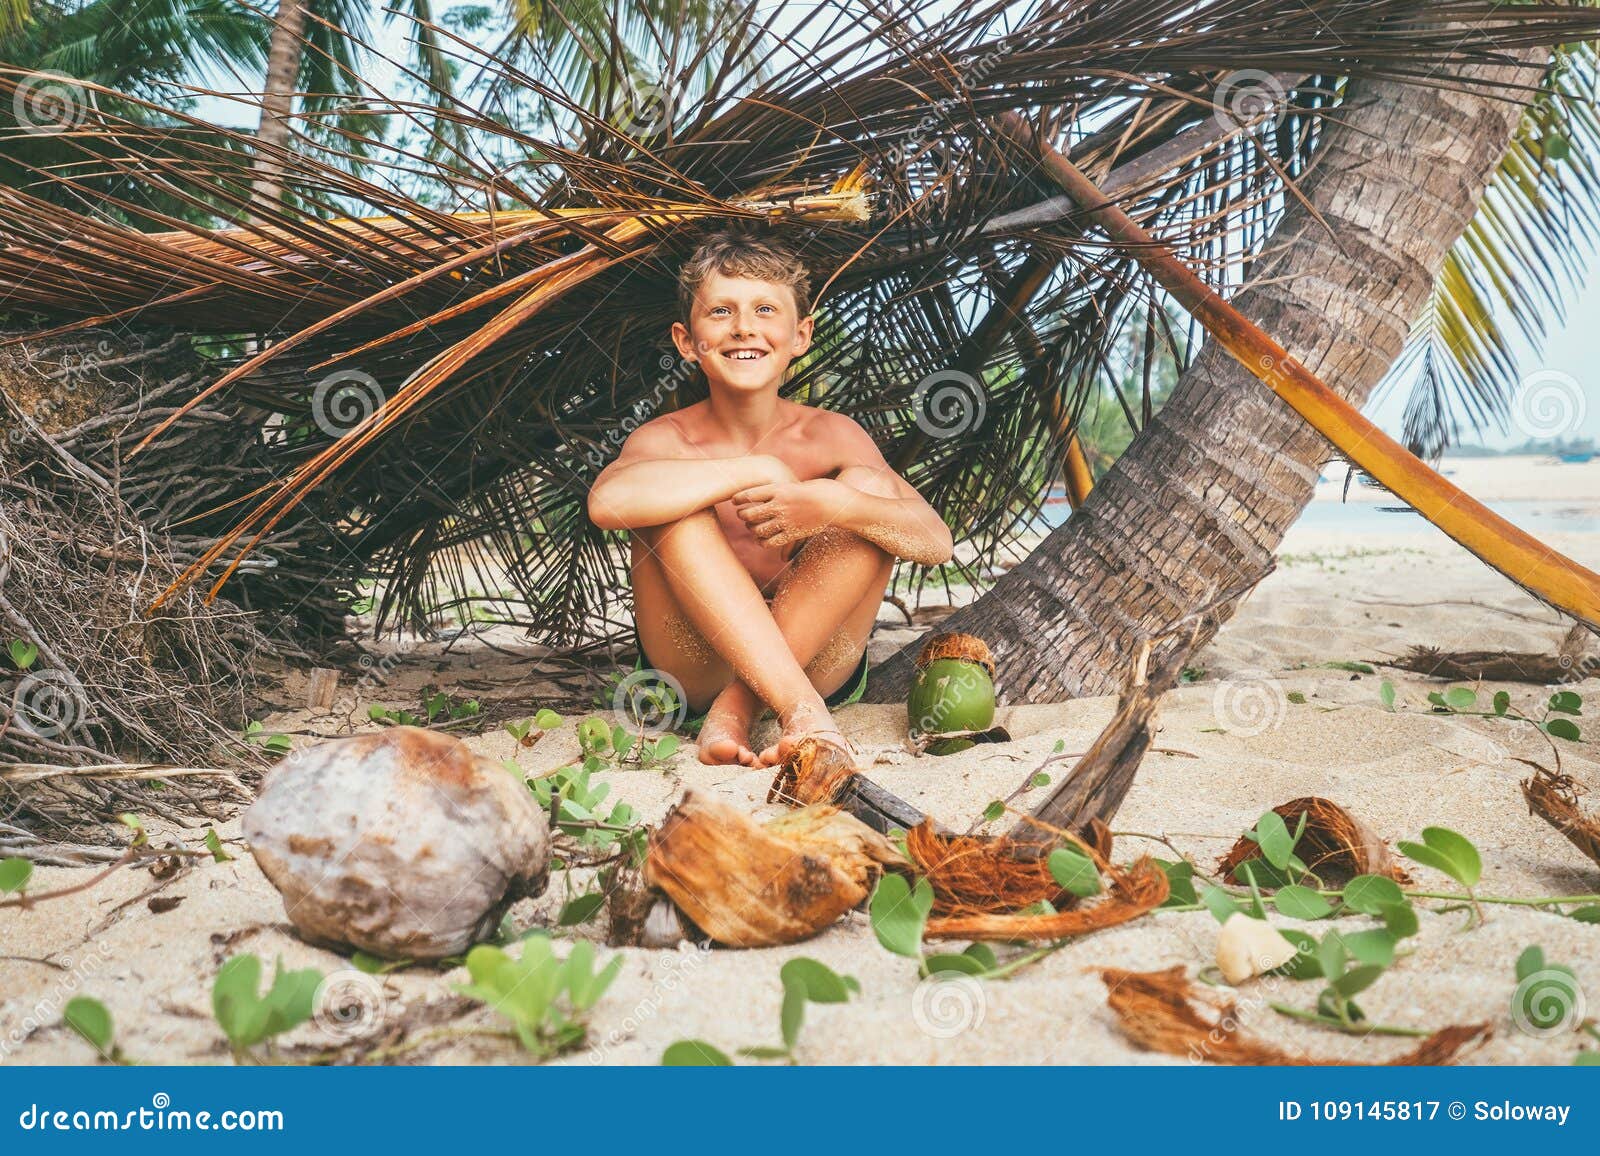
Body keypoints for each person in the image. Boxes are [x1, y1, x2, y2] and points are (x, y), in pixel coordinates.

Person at [586, 231, 954, 767]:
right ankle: (797, 710)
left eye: (765, 309)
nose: (744, 327)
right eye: (720, 311)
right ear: (687, 341)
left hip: (816, 659)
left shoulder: (833, 435)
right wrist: (750, 470)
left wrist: (830, 504)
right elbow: (607, 502)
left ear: (800, 334)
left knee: (867, 491)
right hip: (693, 663)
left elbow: (934, 540)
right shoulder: (662, 439)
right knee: (671, 504)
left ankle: (739, 708)